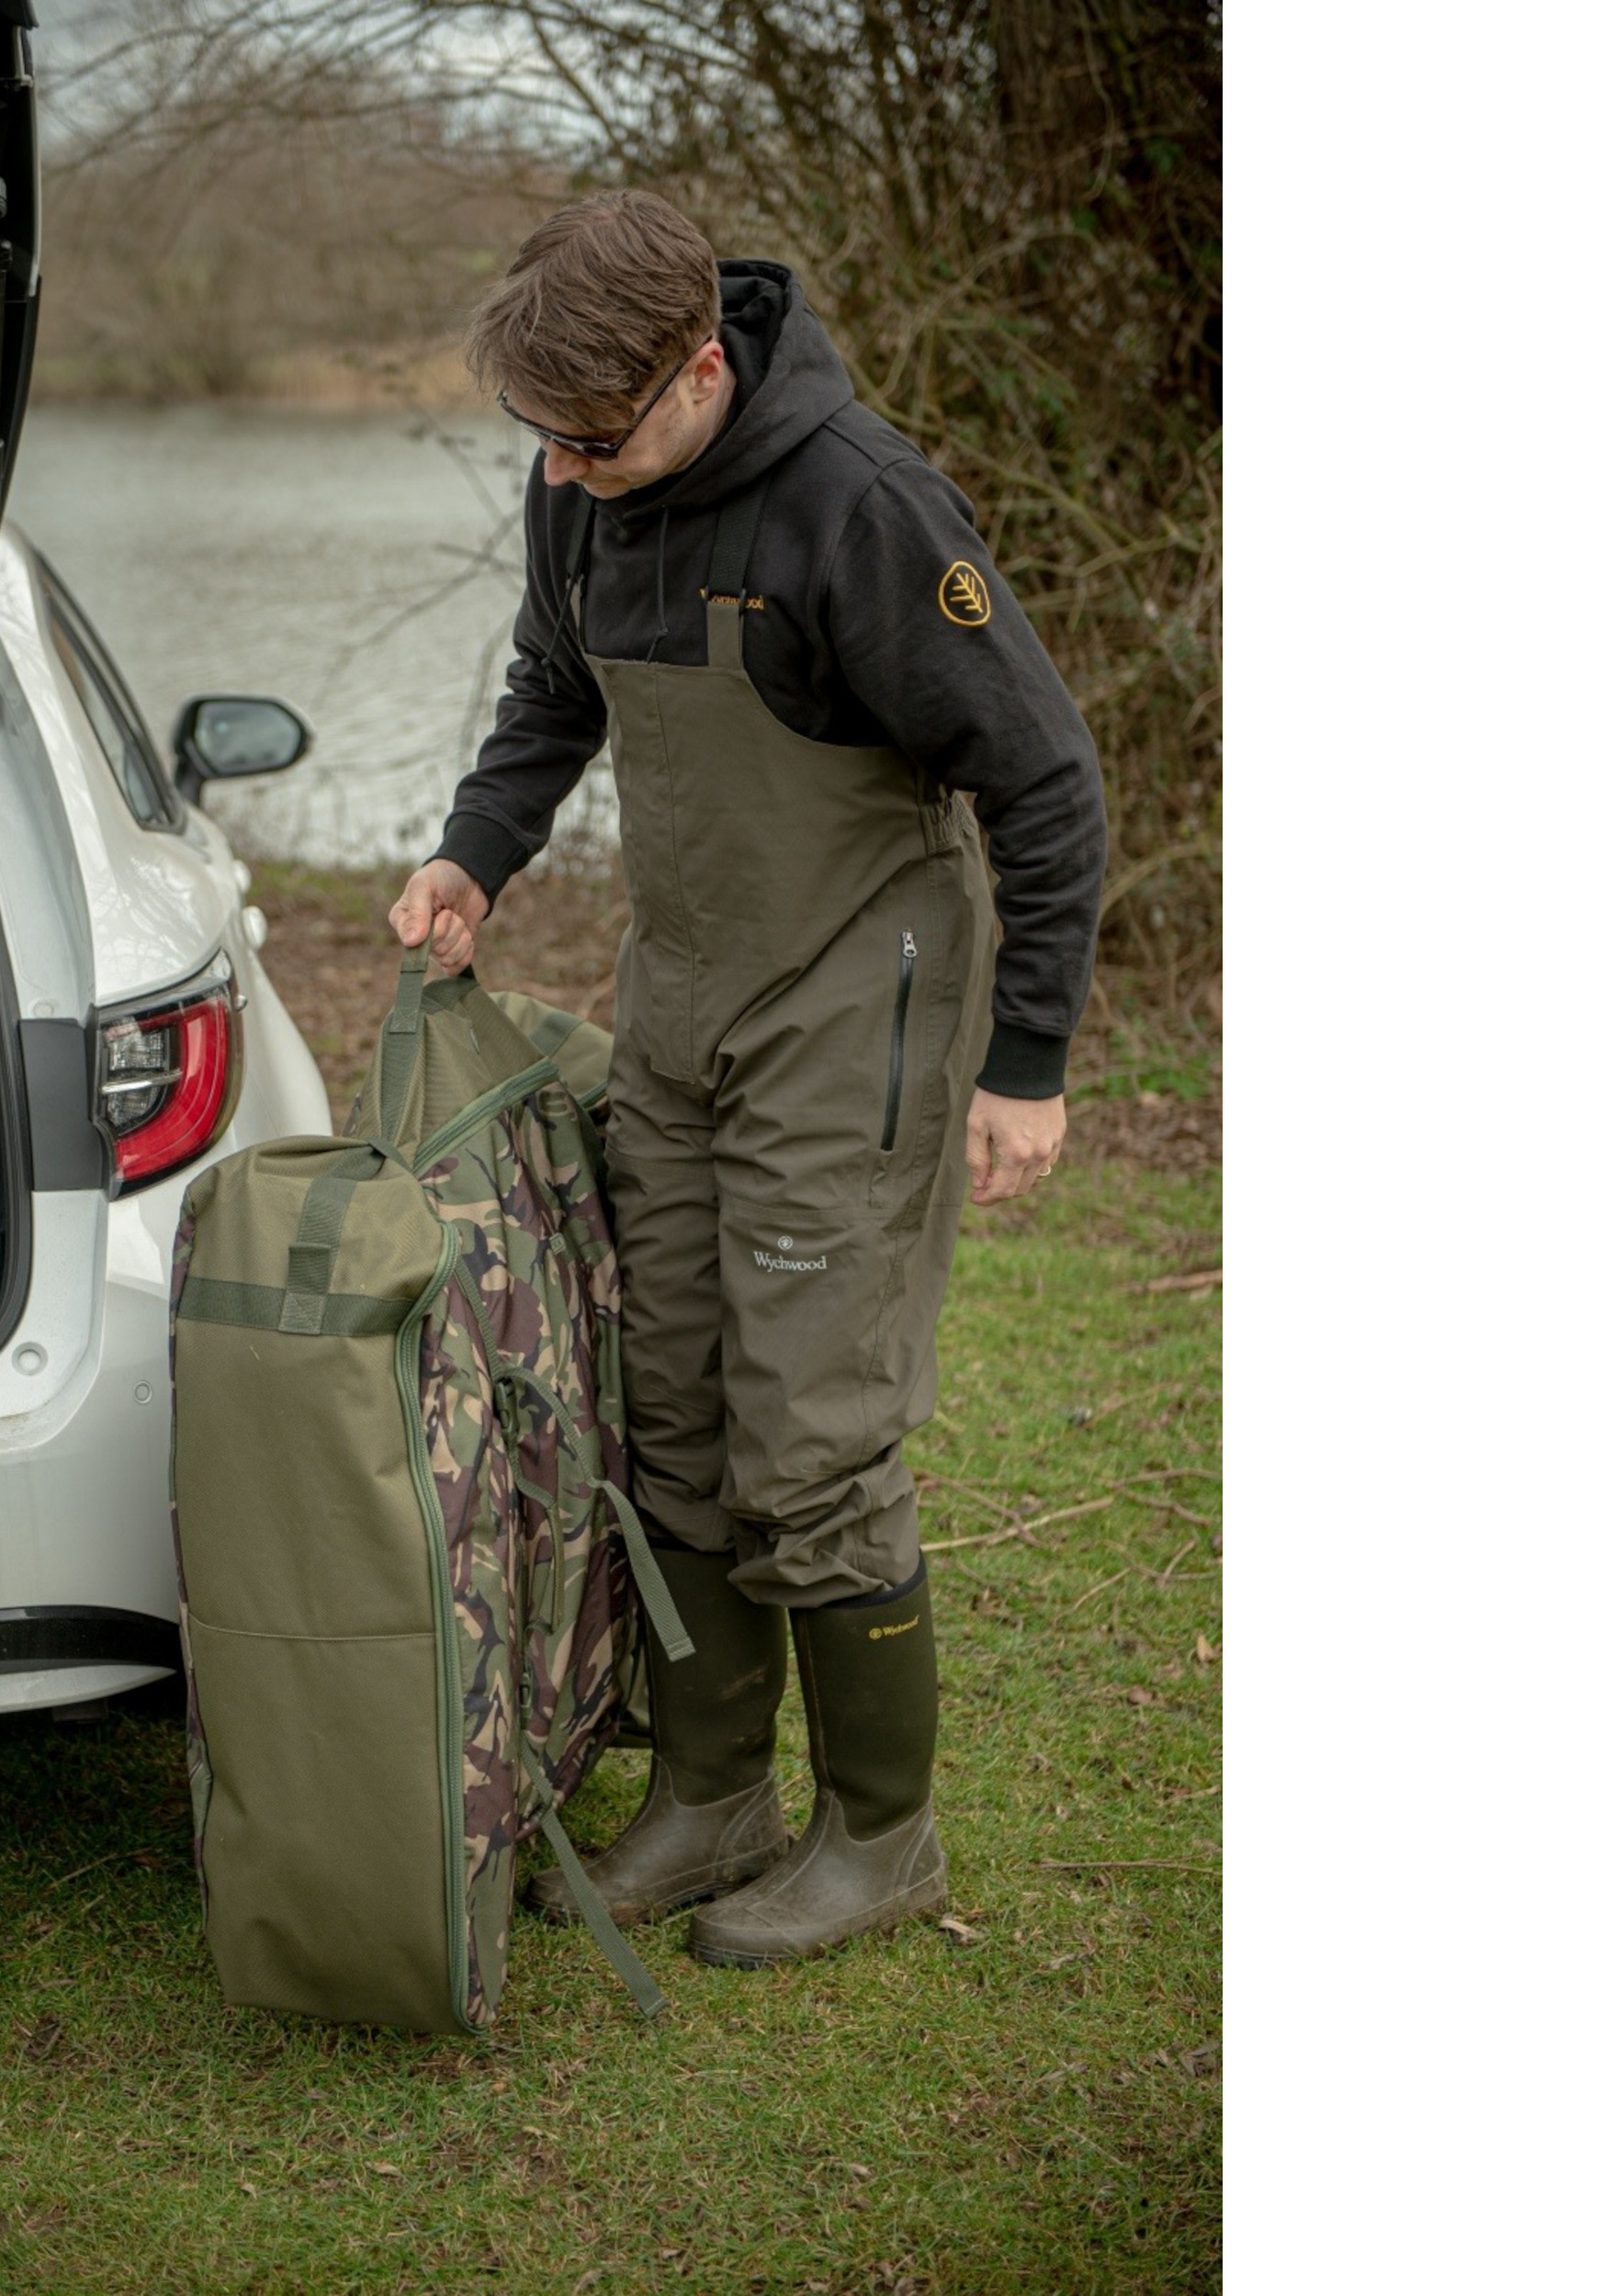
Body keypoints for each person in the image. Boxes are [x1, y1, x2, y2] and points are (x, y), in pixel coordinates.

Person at [389, 191, 1108, 1968]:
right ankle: (715, 1795)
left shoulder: (864, 507)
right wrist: (479, 851)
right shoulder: (579, 487)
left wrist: (1026, 1062)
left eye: (592, 437)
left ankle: (883, 1836)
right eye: (541, 439)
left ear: (702, 371)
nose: (560, 471)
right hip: (685, 998)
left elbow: (1045, 781)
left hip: (860, 1001)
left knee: (812, 1432)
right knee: (677, 1404)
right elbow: (551, 694)